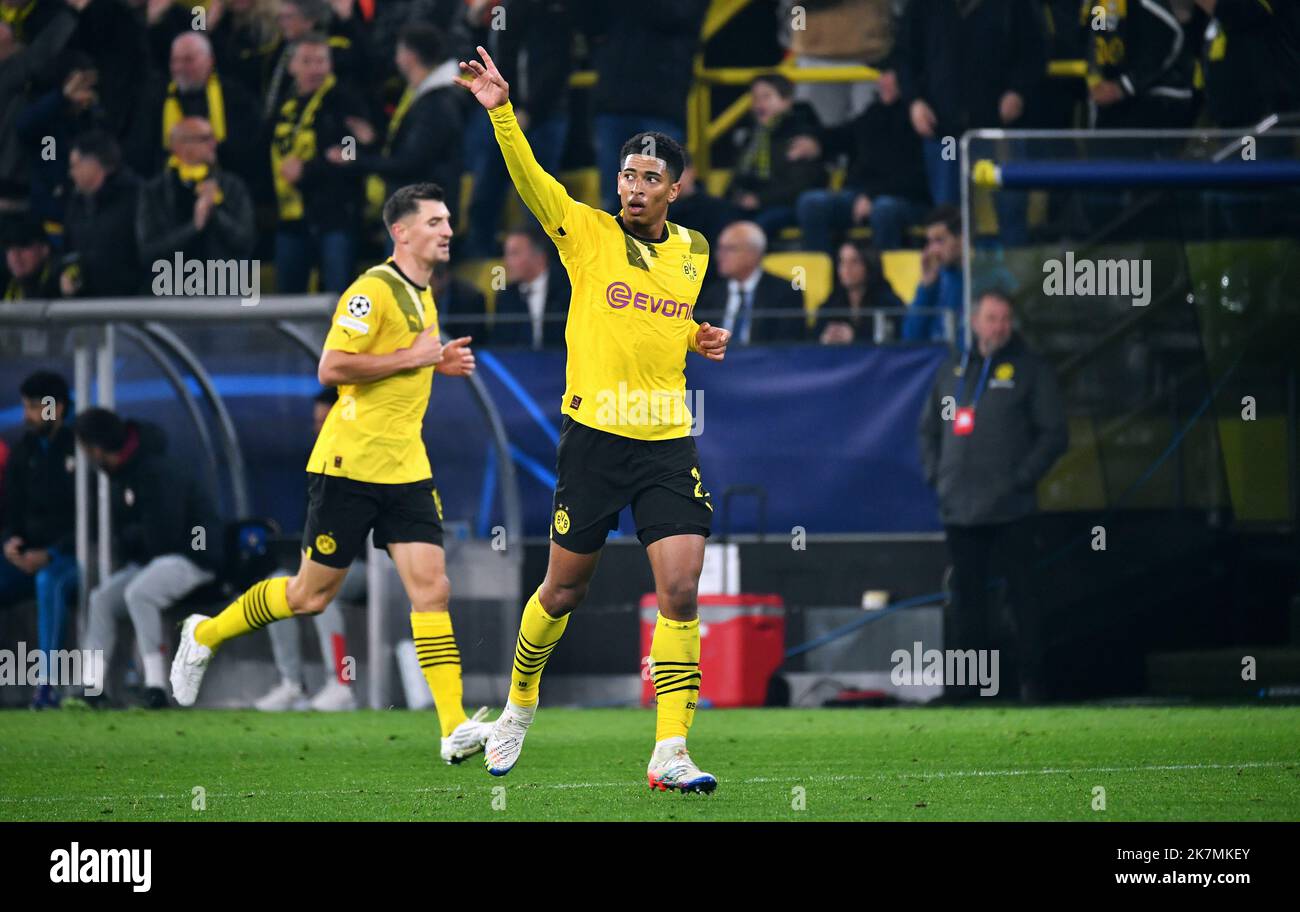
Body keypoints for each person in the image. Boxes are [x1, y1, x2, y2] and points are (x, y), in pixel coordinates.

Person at [461, 45, 732, 792]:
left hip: (666, 440)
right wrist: (502, 113)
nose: (635, 188)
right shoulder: (584, 233)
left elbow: (664, 318)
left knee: (681, 588)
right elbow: (532, 181)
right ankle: (518, 705)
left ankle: (669, 750)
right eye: (627, 175)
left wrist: (695, 335)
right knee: (563, 591)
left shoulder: (696, 252)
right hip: (594, 438)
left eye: (650, 178)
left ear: (675, 188)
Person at [170, 183, 498, 765]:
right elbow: (332, 366)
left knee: (432, 589)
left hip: (405, 468)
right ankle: (203, 635)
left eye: (448, 221)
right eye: (435, 222)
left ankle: (452, 727)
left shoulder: (425, 296)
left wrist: (437, 360)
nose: (448, 230)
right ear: (401, 232)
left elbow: (403, 365)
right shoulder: (372, 289)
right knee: (309, 596)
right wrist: (414, 358)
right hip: (348, 466)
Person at [917, 290, 1068, 702]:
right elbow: (928, 429)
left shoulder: (1030, 370)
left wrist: (1022, 478)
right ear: (975, 321)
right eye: (991, 317)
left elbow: (1055, 434)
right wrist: (937, 475)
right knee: (967, 604)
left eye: (1004, 318)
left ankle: (1032, 684)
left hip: (1011, 510)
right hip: (959, 510)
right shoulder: (953, 370)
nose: (998, 326)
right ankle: (967, 689)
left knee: (1023, 599)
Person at [76, 408, 225, 708]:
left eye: (87, 450)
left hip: (194, 558)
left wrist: (132, 537)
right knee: (101, 599)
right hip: (154, 562)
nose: (89, 459)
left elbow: (164, 537)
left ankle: (156, 686)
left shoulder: (156, 470)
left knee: (139, 593)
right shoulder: (125, 473)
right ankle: (92, 686)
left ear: (96, 448)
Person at [254, 389, 360, 712]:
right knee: (276, 585)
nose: (317, 428)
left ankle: (342, 684)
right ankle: (292, 684)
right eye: (315, 421)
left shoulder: (363, 457)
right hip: (328, 560)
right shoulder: (319, 463)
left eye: (323, 420)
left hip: (375, 566)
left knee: (322, 586)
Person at [329, 23, 464, 229]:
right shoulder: (424, 97)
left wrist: (356, 161)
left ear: (410, 56)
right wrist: (375, 140)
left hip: (423, 221)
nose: (396, 59)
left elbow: (410, 164)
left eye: (399, 52)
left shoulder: (436, 104)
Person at [1, 371, 78, 709]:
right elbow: (11, 508)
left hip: (72, 556)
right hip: (27, 557)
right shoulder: (24, 450)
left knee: (51, 582)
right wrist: (11, 541)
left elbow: (93, 517)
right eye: (26, 406)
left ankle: (47, 684)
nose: (27, 415)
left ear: (56, 407)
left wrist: (52, 552)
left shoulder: (81, 446)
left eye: (34, 407)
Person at [270, 32, 367, 293]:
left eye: (321, 61)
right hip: (290, 217)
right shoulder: (283, 105)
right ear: (291, 66)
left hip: (334, 216)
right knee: (288, 304)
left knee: (338, 299)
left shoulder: (346, 101)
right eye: (307, 61)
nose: (315, 68)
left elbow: (355, 154)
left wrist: (308, 170)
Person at [792, 69, 930, 253]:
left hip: (905, 198)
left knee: (884, 210)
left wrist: (872, 195)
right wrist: (816, 142)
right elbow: (843, 135)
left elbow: (919, 177)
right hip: (859, 194)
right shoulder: (873, 114)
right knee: (811, 203)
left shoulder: (922, 119)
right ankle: (824, 273)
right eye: (883, 75)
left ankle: (881, 276)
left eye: (892, 76)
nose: (884, 81)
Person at [136, 117, 256, 268]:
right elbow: (149, 252)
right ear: (181, 146)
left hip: (223, 284)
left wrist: (215, 213)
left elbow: (246, 242)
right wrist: (194, 227)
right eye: (205, 138)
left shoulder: (231, 186)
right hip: (172, 285)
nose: (214, 144)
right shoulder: (155, 192)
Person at [727, 74, 825, 237]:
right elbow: (737, 178)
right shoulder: (751, 137)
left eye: (766, 96)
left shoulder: (800, 135)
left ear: (786, 101)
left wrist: (760, 200)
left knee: (757, 227)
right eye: (755, 97)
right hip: (753, 203)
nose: (759, 104)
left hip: (785, 205)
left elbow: (799, 186)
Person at [695, 221, 807, 345]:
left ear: (752, 253)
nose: (719, 255)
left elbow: (787, 346)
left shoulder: (785, 293)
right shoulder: (711, 293)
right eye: (720, 248)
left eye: (729, 249)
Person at [61, 131, 140, 298]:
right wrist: (67, 274)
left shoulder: (136, 198)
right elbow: (68, 250)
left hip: (130, 305)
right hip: (87, 304)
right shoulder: (76, 204)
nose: (71, 173)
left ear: (94, 164)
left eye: (75, 165)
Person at [491, 226, 570, 349]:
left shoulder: (567, 291)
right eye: (506, 254)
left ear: (539, 257)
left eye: (514, 253)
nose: (506, 262)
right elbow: (500, 346)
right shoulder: (505, 297)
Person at [815, 241, 904, 345]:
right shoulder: (832, 301)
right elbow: (812, 337)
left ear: (869, 264)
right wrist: (824, 338)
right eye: (842, 262)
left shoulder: (888, 302)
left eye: (854, 262)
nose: (846, 268)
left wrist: (856, 337)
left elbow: (893, 342)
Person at [901, 206, 965, 350]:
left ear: (962, 240)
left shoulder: (983, 278)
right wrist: (926, 287)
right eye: (930, 242)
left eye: (940, 241)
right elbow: (910, 339)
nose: (933, 250)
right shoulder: (934, 281)